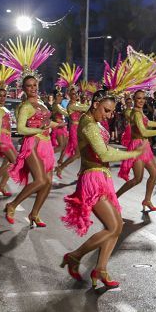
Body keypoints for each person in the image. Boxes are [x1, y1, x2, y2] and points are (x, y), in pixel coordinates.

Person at [60, 90, 143, 289]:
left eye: (112, 112)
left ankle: (101, 269)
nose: (108, 115)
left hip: (102, 178)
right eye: (106, 110)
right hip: (92, 179)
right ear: (96, 103)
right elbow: (104, 154)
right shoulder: (88, 124)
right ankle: (75, 256)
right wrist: (130, 153)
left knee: (117, 226)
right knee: (114, 227)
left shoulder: (94, 121)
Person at [5, 75, 58, 228]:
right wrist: (39, 129)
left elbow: (46, 122)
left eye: (35, 85)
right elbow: (21, 129)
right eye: (29, 86)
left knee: (47, 183)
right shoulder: (26, 106)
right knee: (40, 180)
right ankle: (12, 205)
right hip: (32, 143)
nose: (33, 88)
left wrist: (58, 125)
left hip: (46, 144)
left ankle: (34, 214)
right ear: (24, 89)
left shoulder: (41, 102)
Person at [115, 89, 156, 212]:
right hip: (137, 146)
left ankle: (147, 200)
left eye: (143, 98)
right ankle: (114, 197)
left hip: (145, 146)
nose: (142, 101)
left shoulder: (140, 112)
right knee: (137, 179)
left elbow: (147, 122)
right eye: (139, 98)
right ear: (134, 99)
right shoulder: (136, 113)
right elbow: (144, 131)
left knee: (154, 173)